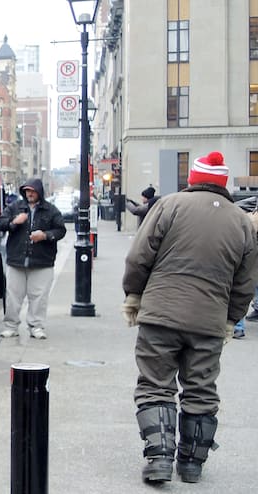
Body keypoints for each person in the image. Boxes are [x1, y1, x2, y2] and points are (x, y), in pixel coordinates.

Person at [122, 150, 258, 484]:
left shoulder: (169, 205)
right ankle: (191, 464)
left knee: (155, 385)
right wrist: (231, 319)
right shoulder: (241, 221)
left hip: (161, 314)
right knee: (201, 390)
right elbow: (245, 282)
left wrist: (134, 294)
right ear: (223, 184)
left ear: (192, 180)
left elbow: (139, 256)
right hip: (209, 321)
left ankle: (159, 458)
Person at [0, 178, 67, 339]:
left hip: (42, 262)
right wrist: (14, 222)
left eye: (33, 191)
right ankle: (11, 326)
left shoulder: (50, 210)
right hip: (16, 260)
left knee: (39, 297)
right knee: (13, 296)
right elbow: (0, 223)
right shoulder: (15, 207)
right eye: (27, 191)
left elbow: (61, 230)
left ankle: (36, 326)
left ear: (39, 192)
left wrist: (45, 235)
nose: (30, 194)